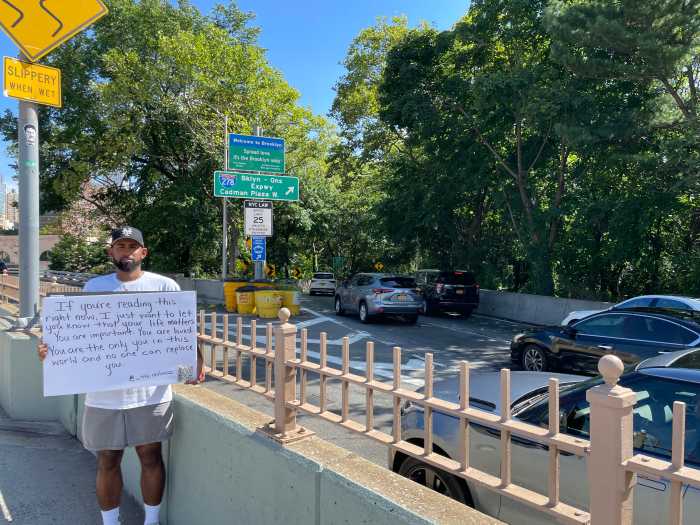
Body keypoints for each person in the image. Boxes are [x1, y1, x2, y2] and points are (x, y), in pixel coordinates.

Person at [38, 226, 204, 525]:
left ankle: (151, 520)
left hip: (151, 395)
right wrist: (53, 353)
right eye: (120, 246)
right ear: (111, 252)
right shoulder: (94, 287)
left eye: (131, 246)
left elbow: (183, 333)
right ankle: (110, 522)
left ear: (143, 252)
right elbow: (77, 337)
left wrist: (195, 363)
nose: (126, 251)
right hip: (103, 397)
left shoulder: (165, 287)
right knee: (107, 460)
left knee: (151, 457)